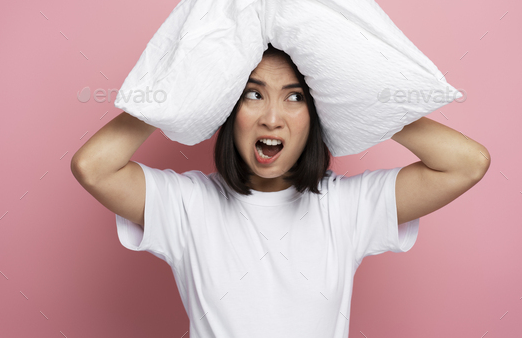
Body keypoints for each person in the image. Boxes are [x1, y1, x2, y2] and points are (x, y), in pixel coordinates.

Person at [71, 43, 490, 337]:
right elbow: (93, 168)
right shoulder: (187, 205)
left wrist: (366, 103)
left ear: (316, 116)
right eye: (254, 94)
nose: (272, 119)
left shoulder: (346, 207)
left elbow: (466, 163)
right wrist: (177, 96)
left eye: (294, 98)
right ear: (228, 111)